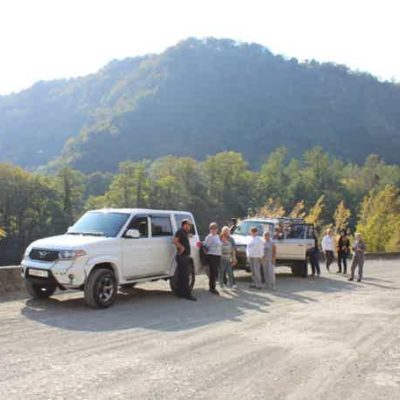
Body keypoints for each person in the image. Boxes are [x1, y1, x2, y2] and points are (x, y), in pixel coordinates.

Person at [172, 219, 197, 301]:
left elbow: (189, 236)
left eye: (190, 225)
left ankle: (180, 293)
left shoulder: (184, 232)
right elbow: (174, 241)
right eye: (188, 225)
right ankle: (188, 294)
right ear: (184, 225)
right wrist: (181, 247)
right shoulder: (180, 231)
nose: (189, 226)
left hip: (184, 256)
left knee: (181, 276)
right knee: (185, 276)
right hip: (182, 256)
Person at [204, 222, 222, 295]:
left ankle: (213, 286)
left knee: (215, 272)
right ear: (210, 229)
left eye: (215, 228)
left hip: (217, 255)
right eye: (212, 228)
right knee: (212, 272)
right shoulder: (209, 237)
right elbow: (205, 247)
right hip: (212, 256)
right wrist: (206, 256)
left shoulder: (217, 236)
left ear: (217, 229)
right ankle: (212, 288)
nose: (213, 230)